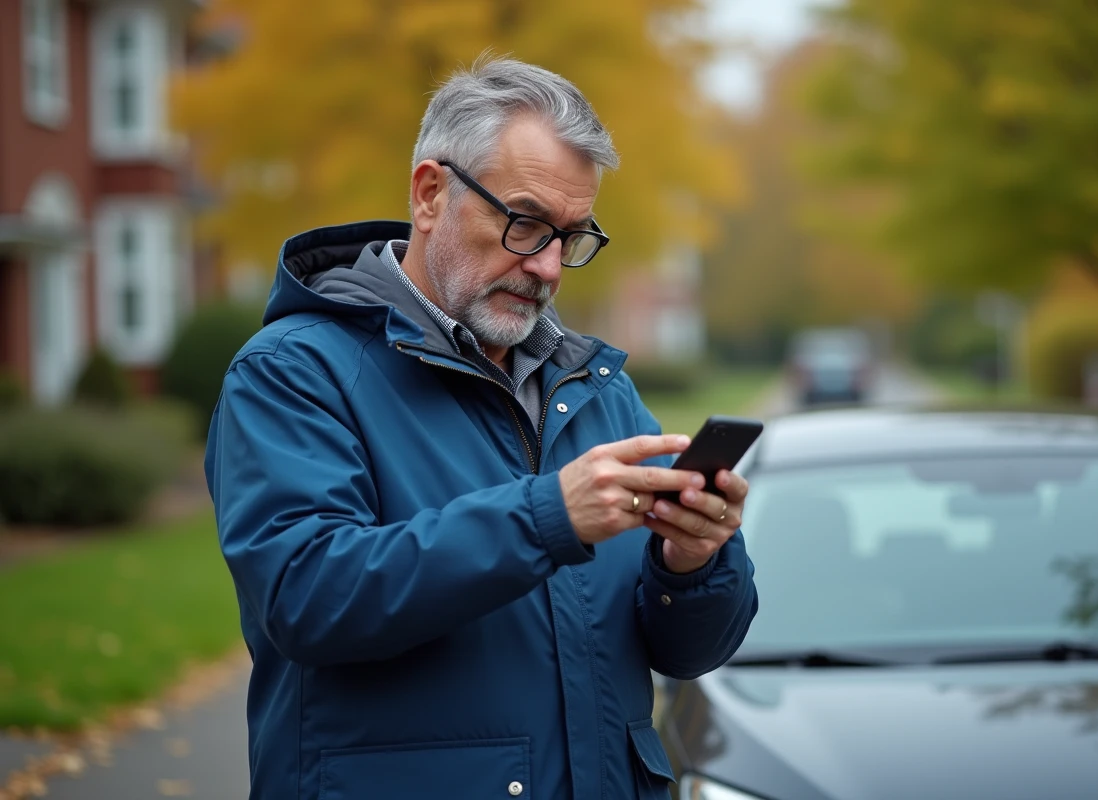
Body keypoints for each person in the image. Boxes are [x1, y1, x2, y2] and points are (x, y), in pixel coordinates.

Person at [204, 54, 758, 800]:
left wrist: (691, 565)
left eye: (573, 236)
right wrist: (546, 518)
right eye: (526, 223)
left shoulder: (599, 389)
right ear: (430, 194)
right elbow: (307, 600)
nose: (551, 268)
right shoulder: (292, 371)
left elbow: (690, 654)